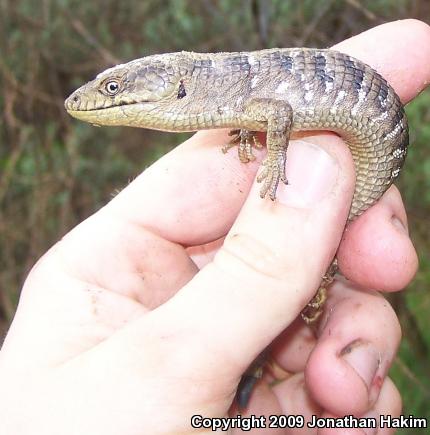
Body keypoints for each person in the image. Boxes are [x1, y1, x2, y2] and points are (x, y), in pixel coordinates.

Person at [0, 19, 427, 435]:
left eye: (113, 88)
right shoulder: (224, 94)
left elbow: (278, 113)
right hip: (357, 177)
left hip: (375, 139)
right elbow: (273, 111)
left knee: (331, 252)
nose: (99, 97)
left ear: (172, 81)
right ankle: (280, 331)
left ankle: (300, 306)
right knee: (331, 259)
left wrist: (278, 158)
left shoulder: (232, 90)